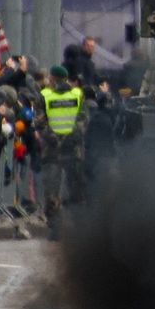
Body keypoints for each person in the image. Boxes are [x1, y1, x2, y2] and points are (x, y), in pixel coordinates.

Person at [35, 64, 89, 240]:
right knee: (73, 189)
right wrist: (69, 136)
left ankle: (58, 228)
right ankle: (73, 226)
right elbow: (83, 120)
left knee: (55, 189)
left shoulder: (46, 95)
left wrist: (56, 138)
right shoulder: (76, 94)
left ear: (53, 78)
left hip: (55, 150)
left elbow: (40, 122)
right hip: (70, 149)